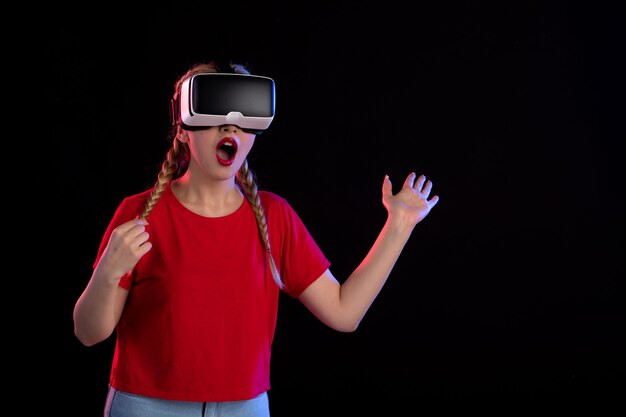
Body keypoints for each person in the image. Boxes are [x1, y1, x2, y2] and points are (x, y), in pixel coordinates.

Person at [73, 60, 440, 417]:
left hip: (244, 408)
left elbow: (344, 312)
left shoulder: (274, 217)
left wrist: (399, 226)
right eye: (214, 116)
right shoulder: (140, 215)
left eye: (242, 120)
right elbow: (88, 333)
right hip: (145, 406)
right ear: (183, 129)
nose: (229, 130)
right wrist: (107, 271)